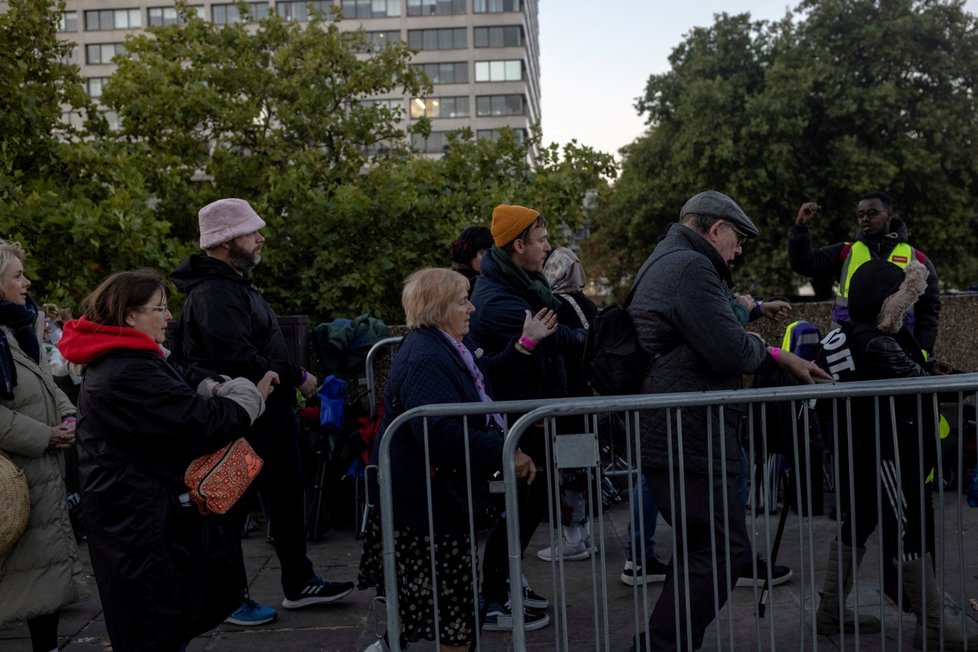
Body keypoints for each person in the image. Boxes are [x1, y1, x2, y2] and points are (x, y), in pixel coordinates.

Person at [628, 190, 829, 651]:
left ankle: (668, 643)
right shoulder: (691, 266)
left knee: (703, 548)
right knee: (724, 550)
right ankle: (661, 645)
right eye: (737, 240)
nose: (738, 251)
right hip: (687, 431)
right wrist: (777, 353)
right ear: (715, 229)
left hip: (678, 428)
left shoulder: (671, 258)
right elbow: (730, 348)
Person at [57, 270, 277, 651]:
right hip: (142, 527)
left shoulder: (123, 358)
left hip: (137, 519)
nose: (169, 316)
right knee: (156, 631)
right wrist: (248, 400)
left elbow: (176, 383)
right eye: (159, 308)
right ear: (129, 316)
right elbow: (199, 423)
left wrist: (214, 386)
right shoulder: (128, 369)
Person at [170, 198, 354, 625]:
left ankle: (299, 582)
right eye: (252, 233)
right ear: (226, 241)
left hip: (268, 418)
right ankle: (229, 599)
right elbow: (237, 355)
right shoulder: (215, 292)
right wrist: (296, 376)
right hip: (240, 421)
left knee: (288, 499)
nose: (260, 239)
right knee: (228, 509)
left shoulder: (232, 283)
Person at [360, 267, 552, 651]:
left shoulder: (445, 346)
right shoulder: (426, 356)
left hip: (431, 504)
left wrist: (525, 345)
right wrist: (507, 451)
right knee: (452, 617)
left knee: (432, 609)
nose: (472, 308)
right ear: (438, 307)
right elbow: (439, 433)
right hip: (426, 510)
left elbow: (484, 378)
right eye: (463, 301)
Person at [811, 259, 978, 649]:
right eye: (904, 300)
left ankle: (830, 612)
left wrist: (928, 364)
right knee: (911, 526)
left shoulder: (848, 333)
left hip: (860, 446)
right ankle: (935, 626)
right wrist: (953, 377)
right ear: (887, 303)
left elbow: (899, 370)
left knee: (861, 520)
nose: (908, 308)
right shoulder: (877, 342)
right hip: (888, 450)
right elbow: (921, 383)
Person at [468, 204, 587, 631]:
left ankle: (503, 586)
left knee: (527, 507)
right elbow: (557, 338)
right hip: (520, 420)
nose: (548, 246)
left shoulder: (523, 282)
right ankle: (493, 597)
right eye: (541, 240)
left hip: (534, 411)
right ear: (518, 245)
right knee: (518, 509)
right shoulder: (498, 298)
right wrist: (592, 337)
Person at [0, 241, 89, 652]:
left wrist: (69, 417)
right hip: (11, 481)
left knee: (44, 576)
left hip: (39, 475)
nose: (27, 282)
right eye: (18, 275)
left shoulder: (21, 327)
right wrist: (43, 436)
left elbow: (45, 385)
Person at [787, 191, 940, 356]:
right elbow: (804, 264)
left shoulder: (917, 259)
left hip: (898, 351)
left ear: (889, 215)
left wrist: (922, 353)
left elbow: (929, 312)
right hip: (848, 349)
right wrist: (800, 226)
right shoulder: (846, 252)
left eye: (872, 213)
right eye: (860, 214)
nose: (865, 218)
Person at [536, 246, 598, 562]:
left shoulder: (556, 305)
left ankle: (572, 539)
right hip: (588, 396)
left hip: (566, 396)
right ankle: (583, 535)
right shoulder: (586, 303)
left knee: (566, 469)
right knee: (581, 467)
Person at [449, 225, 494, 297]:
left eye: (491, 254)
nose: (488, 258)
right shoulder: (460, 285)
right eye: (483, 253)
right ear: (469, 253)